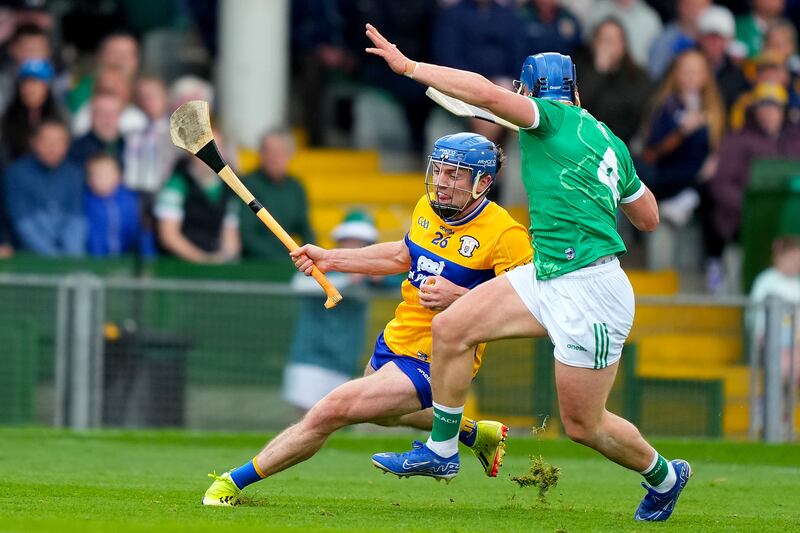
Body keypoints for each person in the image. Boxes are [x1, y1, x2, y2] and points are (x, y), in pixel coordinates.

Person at [363, 23, 689, 522]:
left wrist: (410, 67)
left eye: (519, 94)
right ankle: (442, 451)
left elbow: (482, 92)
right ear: (575, 90)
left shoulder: (549, 117)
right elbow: (648, 217)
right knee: (451, 328)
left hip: (591, 289)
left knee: (583, 425)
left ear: (530, 92)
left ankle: (665, 476)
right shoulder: (608, 141)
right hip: (548, 273)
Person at [201, 131, 533, 506]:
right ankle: (475, 434)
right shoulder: (428, 207)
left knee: (330, 410)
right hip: (396, 339)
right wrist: (330, 257)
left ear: (483, 182)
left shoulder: (506, 235)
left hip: (435, 358)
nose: (441, 182)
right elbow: (400, 256)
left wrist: (458, 297)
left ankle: (231, 483)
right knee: (387, 416)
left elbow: (523, 306)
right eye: (438, 170)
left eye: (454, 174)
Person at [283, 211, 382, 414]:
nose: (356, 247)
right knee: (309, 422)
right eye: (351, 241)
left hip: (345, 361)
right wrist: (347, 281)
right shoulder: (323, 266)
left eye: (362, 242)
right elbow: (299, 284)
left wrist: (375, 276)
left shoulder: (374, 273)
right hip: (312, 358)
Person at [154, 130, 240, 264]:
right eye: (205, 148)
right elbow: (169, 237)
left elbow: (230, 239)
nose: (212, 155)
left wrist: (223, 260)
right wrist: (204, 260)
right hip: (178, 267)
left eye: (218, 148)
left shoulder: (228, 188)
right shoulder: (177, 184)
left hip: (214, 267)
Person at [4, 120, 84, 256]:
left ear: (67, 145)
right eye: (46, 141)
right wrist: (53, 257)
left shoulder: (75, 174)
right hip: (28, 254)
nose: (52, 147)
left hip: (68, 254)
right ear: (33, 142)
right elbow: (22, 222)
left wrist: (72, 257)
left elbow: (77, 219)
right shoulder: (16, 173)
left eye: (59, 141)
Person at [239, 129, 314, 260]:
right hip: (254, 263)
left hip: (290, 262)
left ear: (290, 155)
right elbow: (246, 233)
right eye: (269, 152)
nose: (274, 158)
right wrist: (283, 258)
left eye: (280, 152)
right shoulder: (247, 185)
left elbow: (305, 228)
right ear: (261, 154)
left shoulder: (296, 187)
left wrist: (309, 255)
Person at [83, 153, 142, 257]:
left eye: (108, 174)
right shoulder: (86, 202)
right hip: (95, 259)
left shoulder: (130, 200)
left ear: (119, 176)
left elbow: (138, 232)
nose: (103, 179)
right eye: (97, 175)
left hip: (126, 257)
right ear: (89, 180)